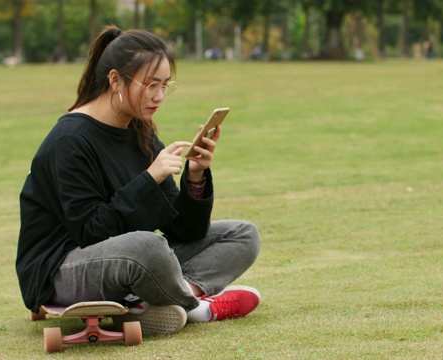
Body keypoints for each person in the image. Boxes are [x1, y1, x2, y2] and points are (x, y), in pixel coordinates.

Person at [15, 25, 262, 335]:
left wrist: (195, 176)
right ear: (115, 79)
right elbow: (89, 232)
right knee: (148, 246)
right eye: (150, 85)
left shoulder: (140, 132)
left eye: (165, 85)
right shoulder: (70, 140)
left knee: (242, 234)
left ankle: (161, 299)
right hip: (62, 270)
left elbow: (185, 230)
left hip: (124, 262)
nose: (159, 96)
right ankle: (199, 308)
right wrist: (149, 179)